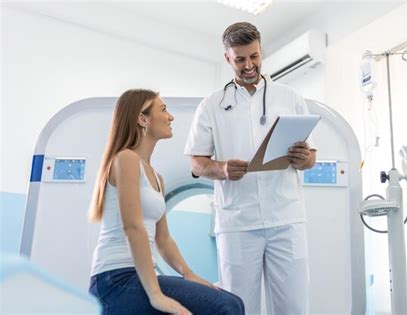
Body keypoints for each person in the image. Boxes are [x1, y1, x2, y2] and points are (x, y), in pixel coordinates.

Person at [184, 22, 317, 315]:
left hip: (286, 217)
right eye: (240, 59)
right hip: (238, 223)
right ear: (227, 58)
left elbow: (311, 158)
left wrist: (302, 157)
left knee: (294, 307)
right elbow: (196, 162)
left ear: (261, 51)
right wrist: (221, 169)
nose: (249, 65)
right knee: (238, 306)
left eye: (254, 56)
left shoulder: (290, 97)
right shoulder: (212, 104)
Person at [88, 89, 245, 315]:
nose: (170, 117)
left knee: (233, 302)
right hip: (115, 279)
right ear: (143, 119)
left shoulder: (156, 177)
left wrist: (188, 273)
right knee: (226, 307)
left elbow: (163, 239)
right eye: (163, 110)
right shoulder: (126, 159)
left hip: (138, 277)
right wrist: (155, 295)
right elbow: (133, 228)